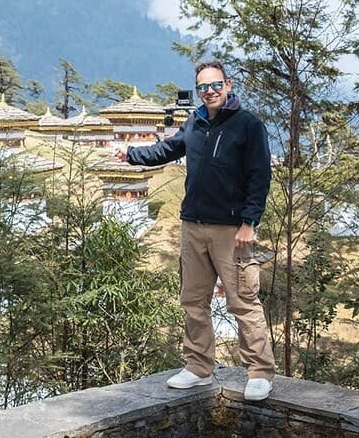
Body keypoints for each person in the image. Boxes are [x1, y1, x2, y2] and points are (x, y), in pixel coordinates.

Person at [114, 59, 275, 401]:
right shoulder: (195, 123)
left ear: (228, 85)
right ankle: (199, 366)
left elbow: (260, 177)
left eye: (216, 85)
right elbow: (166, 149)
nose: (210, 92)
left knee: (243, 302)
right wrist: (130, 154)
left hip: (231, 231)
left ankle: (260, 372)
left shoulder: (248, 125)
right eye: (203, 87)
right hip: (193, 226)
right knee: (193, 300)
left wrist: (250, 222)